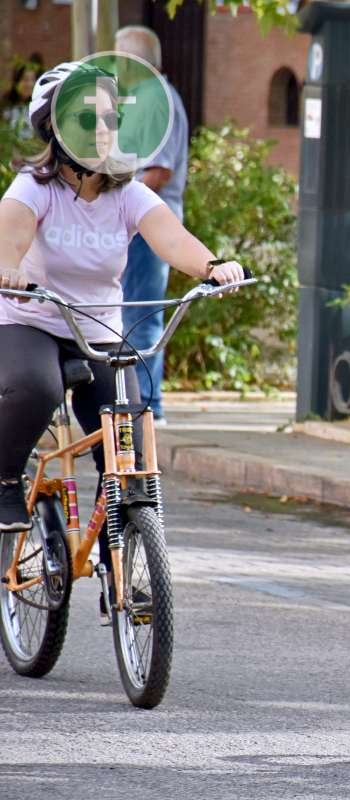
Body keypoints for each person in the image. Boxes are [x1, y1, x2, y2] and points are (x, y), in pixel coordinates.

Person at [0, 60, 244, 535]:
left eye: (111, 119)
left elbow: (172, 240)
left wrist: (213, 267)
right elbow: (9, 238)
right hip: (32, 323)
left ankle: (125, 535)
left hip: (99, 329)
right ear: (55, 126)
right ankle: (5, 480)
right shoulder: (34, 188)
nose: (103, 130)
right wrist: (8, 270)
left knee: (127, 421)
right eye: (89, 120)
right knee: (38, 387)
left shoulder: (126, 193)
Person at [114, 26, 190, 424]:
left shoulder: (155, 100)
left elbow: (158, 170)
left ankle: (147, 406)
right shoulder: (146, 99)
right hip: (142, 220)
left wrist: (119, 208)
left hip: (149, 222)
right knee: (130, 310)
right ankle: (139, 404)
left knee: (141, 312)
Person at [2, 54, 42, 139]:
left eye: (32, 80)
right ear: (16, 82)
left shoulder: (37, 107)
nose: (29, 84)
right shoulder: (5, 105)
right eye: (25, 79)